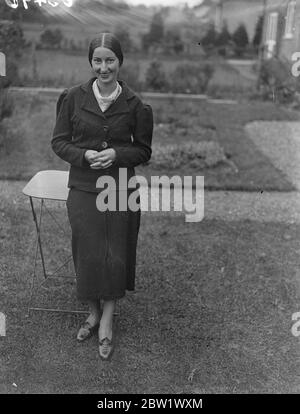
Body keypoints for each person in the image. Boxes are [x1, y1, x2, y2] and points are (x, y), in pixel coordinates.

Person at [51, 33, 153, 360]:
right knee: (88, 252)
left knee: (115, 253)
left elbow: (143, 150)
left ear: (120, 62)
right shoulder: (72, 98)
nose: (103, 67)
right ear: (90, 61)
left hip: (120, 189)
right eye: (98, 60)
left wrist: (117, 156)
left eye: (110, 60)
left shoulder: (136, 105)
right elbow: (59, 142)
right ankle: (92, 313)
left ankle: (107, 321)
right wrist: (83, 157)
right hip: (83, 187)